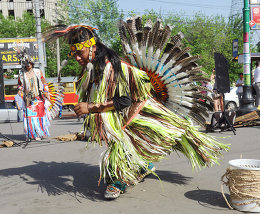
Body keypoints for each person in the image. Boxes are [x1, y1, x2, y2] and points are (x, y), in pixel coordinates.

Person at [44, 24, 229, 200]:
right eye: (73, 53)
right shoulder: (95, 68)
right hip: (125, 115)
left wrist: (90, 107)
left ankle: (119, 180)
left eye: (79, 52)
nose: (77, 57)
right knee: (122, 147)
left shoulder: (112, 67)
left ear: (92, 48)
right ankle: (143, 166)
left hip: (137, 113)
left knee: (115, 158)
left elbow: (124, 100)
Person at [18, 59, 51, 141]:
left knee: (39, 116)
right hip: (28, 98)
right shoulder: (22, 75)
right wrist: (20, 90)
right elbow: (19, 85)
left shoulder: (38, 72)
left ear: (32, 64)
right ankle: (31, 134)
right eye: (26, 63)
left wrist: (46, 91)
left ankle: (40, 133)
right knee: (30, 116)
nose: (28, 65)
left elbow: (44, 82)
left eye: (29, 63)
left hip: (38, 97)